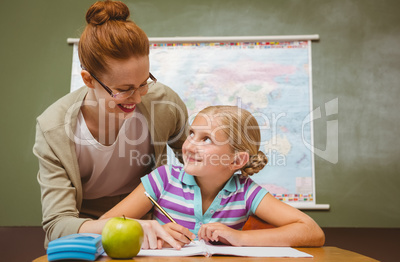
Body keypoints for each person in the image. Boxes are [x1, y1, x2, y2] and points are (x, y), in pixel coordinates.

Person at [33, 0, 190, 249]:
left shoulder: (164, 104)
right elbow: (58, 225)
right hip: (87, 235)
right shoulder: (54, 129)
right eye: (124, 89)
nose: (138, 98)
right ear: (88, 79)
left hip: (153, 230)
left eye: (143, 83)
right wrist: (124, 224)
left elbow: (198, 165)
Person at [101, 105, 325, 247]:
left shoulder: (245, 192)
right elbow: (103, 225)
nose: (189, 145)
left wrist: (241, 238)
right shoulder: (163, 179)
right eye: (191, 134)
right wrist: (148, 232)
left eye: (206, 139)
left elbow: (312, 231)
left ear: (237, 161)